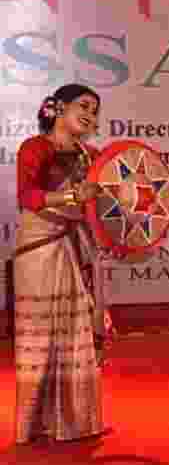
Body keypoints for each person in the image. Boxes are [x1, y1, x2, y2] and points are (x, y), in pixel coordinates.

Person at [13, 84, 114, 444]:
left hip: (77, 249)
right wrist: (73, 195)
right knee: (39, 341)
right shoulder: (36, 148)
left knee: (77, 333)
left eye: (96, 110)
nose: (90, 114)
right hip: (40, 251)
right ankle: (32, 425)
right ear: (58, 108)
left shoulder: (93, 157)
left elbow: (110, 201)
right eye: (83, 106)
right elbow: (28, 197)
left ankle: (75, 423)